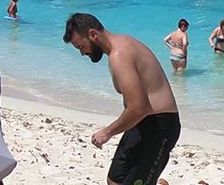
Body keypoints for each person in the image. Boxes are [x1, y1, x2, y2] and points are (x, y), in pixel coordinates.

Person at [62, 13, 180, 185]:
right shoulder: (122, 44)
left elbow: (139, 107)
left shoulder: (119, 54)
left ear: (93, 35)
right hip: (140, 123)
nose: (82, 53)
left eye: (81, 46)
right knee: (115, 180)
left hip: (159, 127)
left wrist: (107, 132)